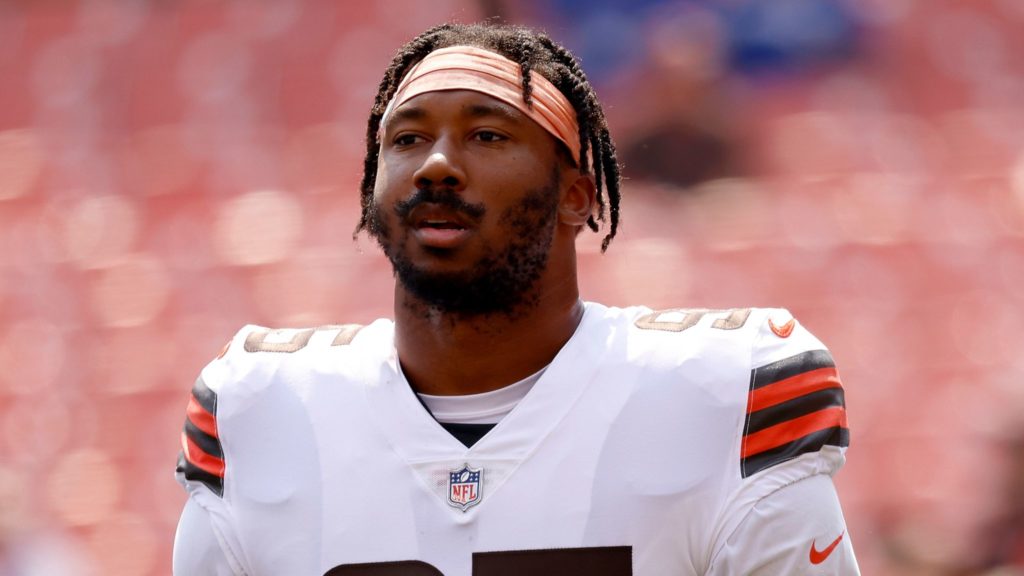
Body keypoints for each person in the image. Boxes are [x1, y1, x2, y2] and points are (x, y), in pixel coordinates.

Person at [173, 22, 859, 575]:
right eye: (407, 139)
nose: (436, 164)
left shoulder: (725, 397)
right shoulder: (258, 410)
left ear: (576, 195)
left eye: (487, 135)